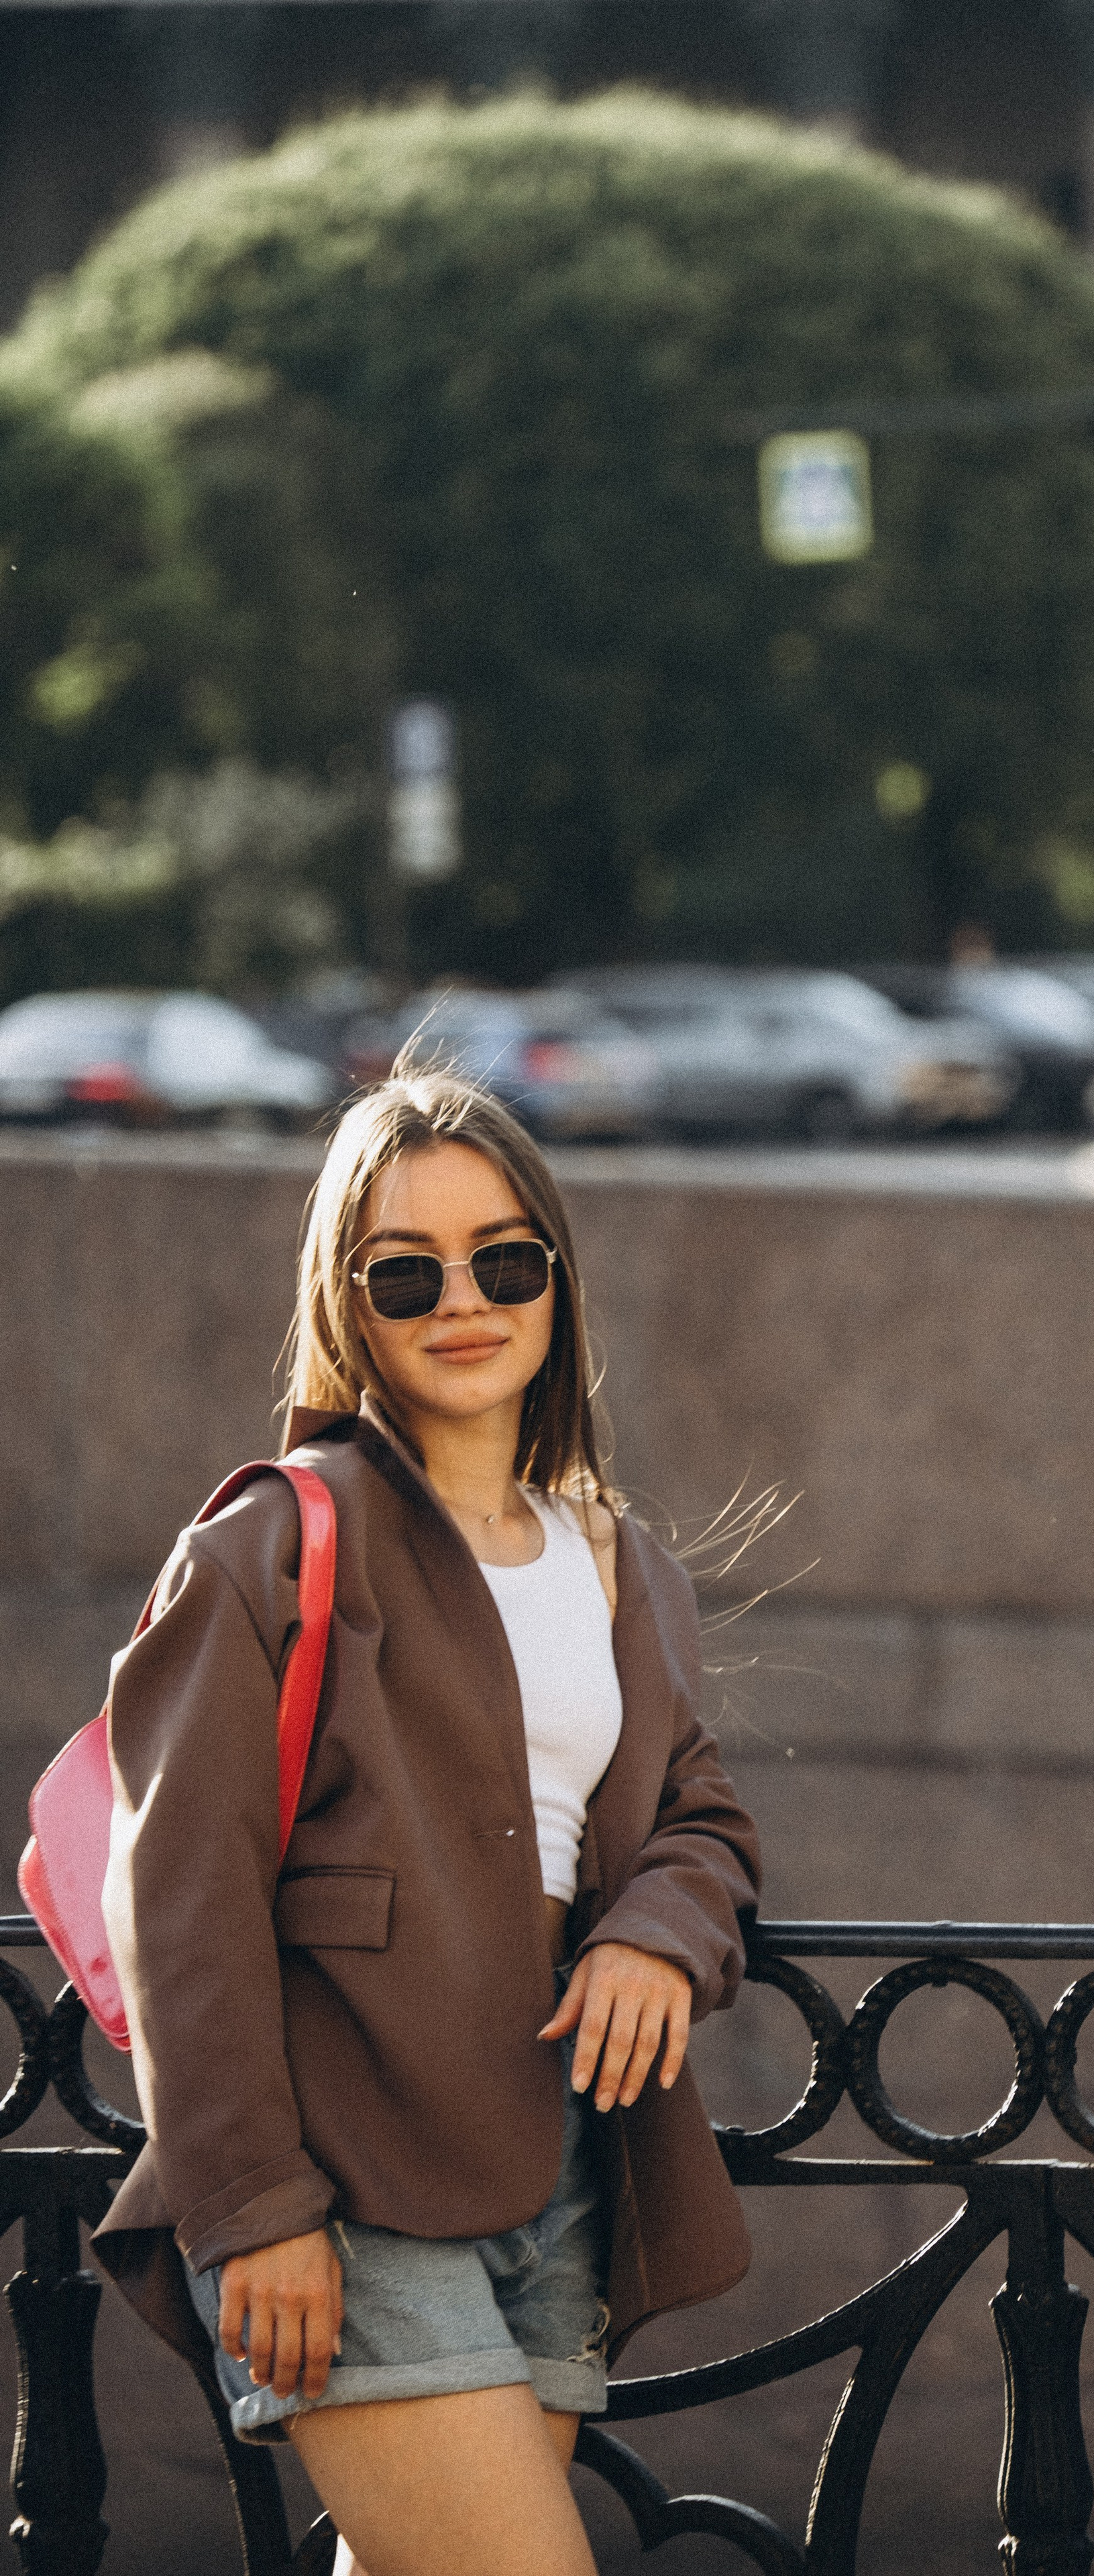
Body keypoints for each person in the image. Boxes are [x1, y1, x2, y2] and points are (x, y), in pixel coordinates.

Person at [92, 1064, 763, 2576]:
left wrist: (656, 1934)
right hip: (345, 2181)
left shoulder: (618, 1562)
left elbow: (701, 1814)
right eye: (407, 1274)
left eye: (503, 1261)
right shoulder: (267, 1544)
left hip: (562, 2174)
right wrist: (254, 2205)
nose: (463, 1301)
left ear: (555, 1281)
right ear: (350, 1306)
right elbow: (180, 1900)